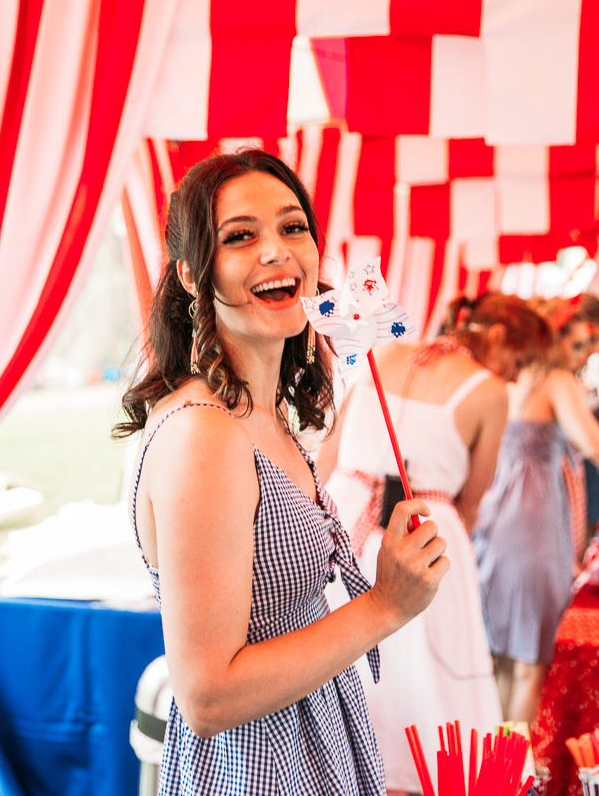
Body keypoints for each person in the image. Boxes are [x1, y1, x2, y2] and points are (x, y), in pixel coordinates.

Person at [113, 149, 449, 796]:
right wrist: (385, 606)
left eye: (293, 227)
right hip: (258, 767)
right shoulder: (205, 433)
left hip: (313, 742)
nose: (277, 251)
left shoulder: (260, 415)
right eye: (240, 236)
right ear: (191, 274)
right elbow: (207, 696)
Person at [316, 293, 551, 796]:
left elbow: (327, 455)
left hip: (344, 524)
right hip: (426, 532)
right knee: (429, 687)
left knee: (342, 664)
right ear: (495, 338)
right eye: (520, 360)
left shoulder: (379, 352)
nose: (516, 376)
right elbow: (474, 498)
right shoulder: (488, 391)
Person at [473, 293, 599, 727]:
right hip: (534, 521)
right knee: (530, 659)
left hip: (492, 512)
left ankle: (489, 773)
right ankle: (515, 781)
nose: (585, 356)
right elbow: (593, 443)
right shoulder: (558, 382)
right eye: (580, 345)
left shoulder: (505, 378)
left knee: (498, 655)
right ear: (556, 338)